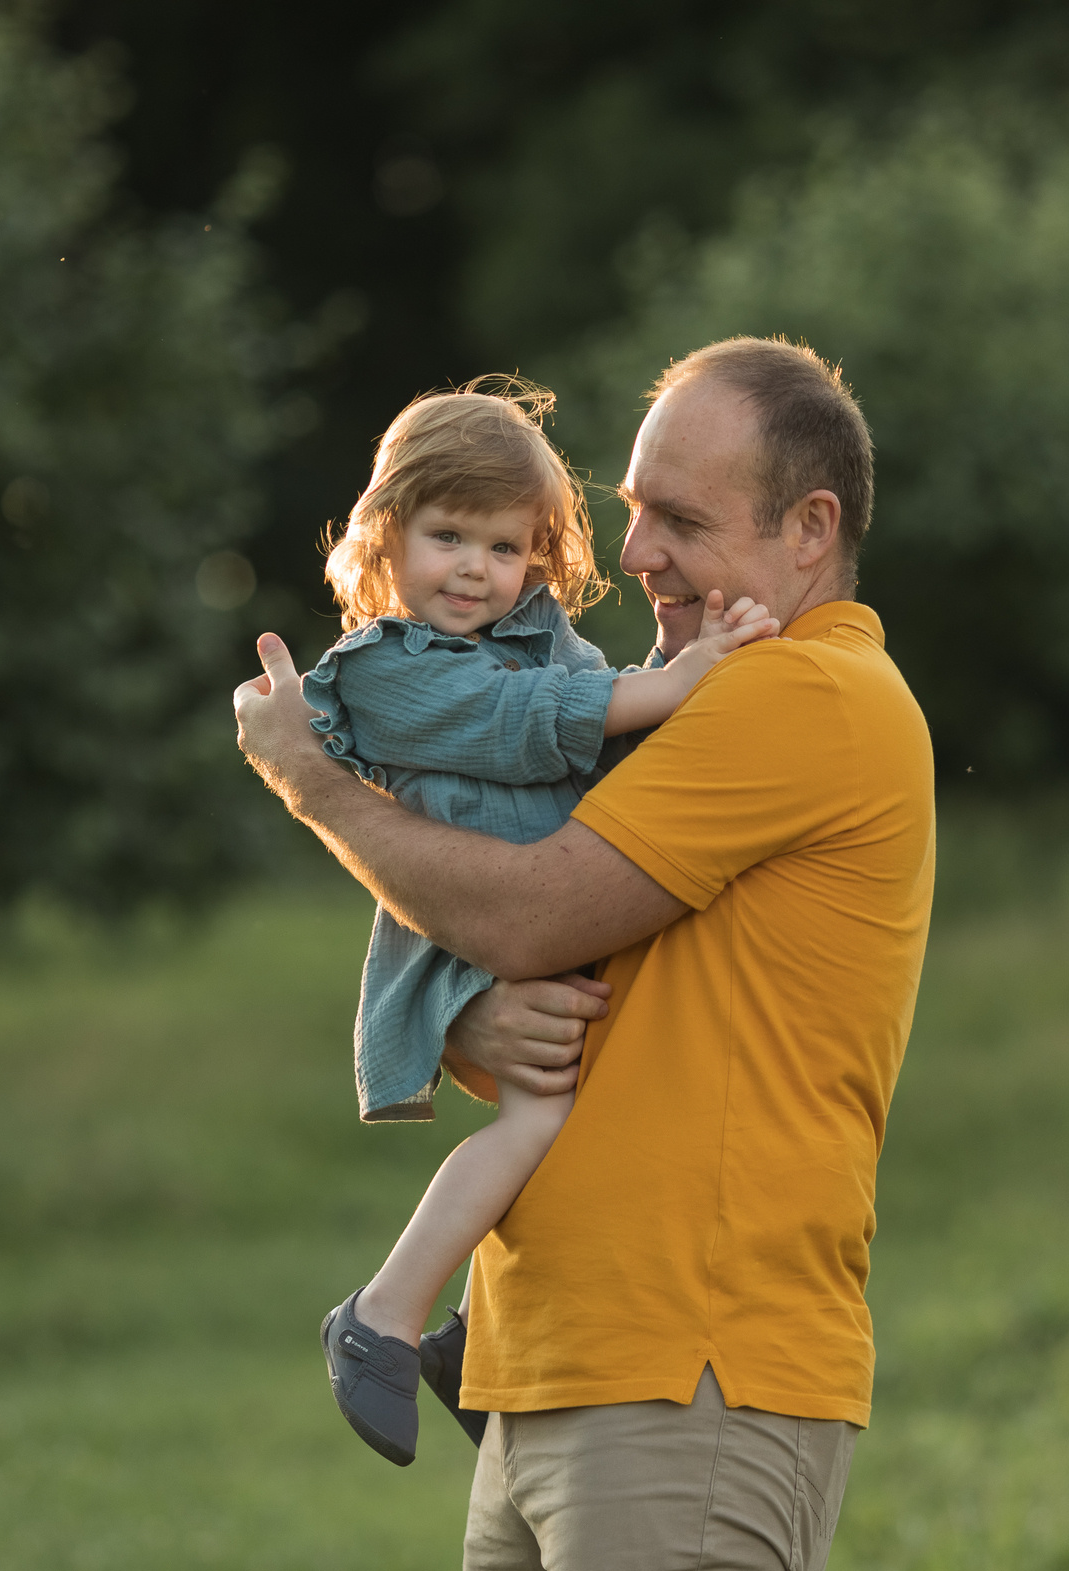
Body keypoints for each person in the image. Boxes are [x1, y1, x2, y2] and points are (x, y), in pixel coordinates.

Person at [235, 337, 934, 1571]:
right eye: (630, 512)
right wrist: (463, 1024)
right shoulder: (690, 699)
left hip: (689, 1370)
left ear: (810, 531)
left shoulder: (800, 691)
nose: (641, 555)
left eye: (682, 519)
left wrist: (313, 782)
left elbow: (527, 911)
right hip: (554, 1356)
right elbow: (510, 921)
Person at [296, 377, 780, 1467]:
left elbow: (611, 716)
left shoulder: (539, 637)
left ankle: (470, 1337)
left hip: (555, 910)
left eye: (505, 546)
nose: (474, 568)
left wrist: (690, 656)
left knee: (591, 1111)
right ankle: (379, 1316)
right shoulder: (381, 671)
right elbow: (528, 726)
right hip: (466, 928)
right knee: (531, 1123)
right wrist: (687, 677)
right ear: (387, 537)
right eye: (447, 535)